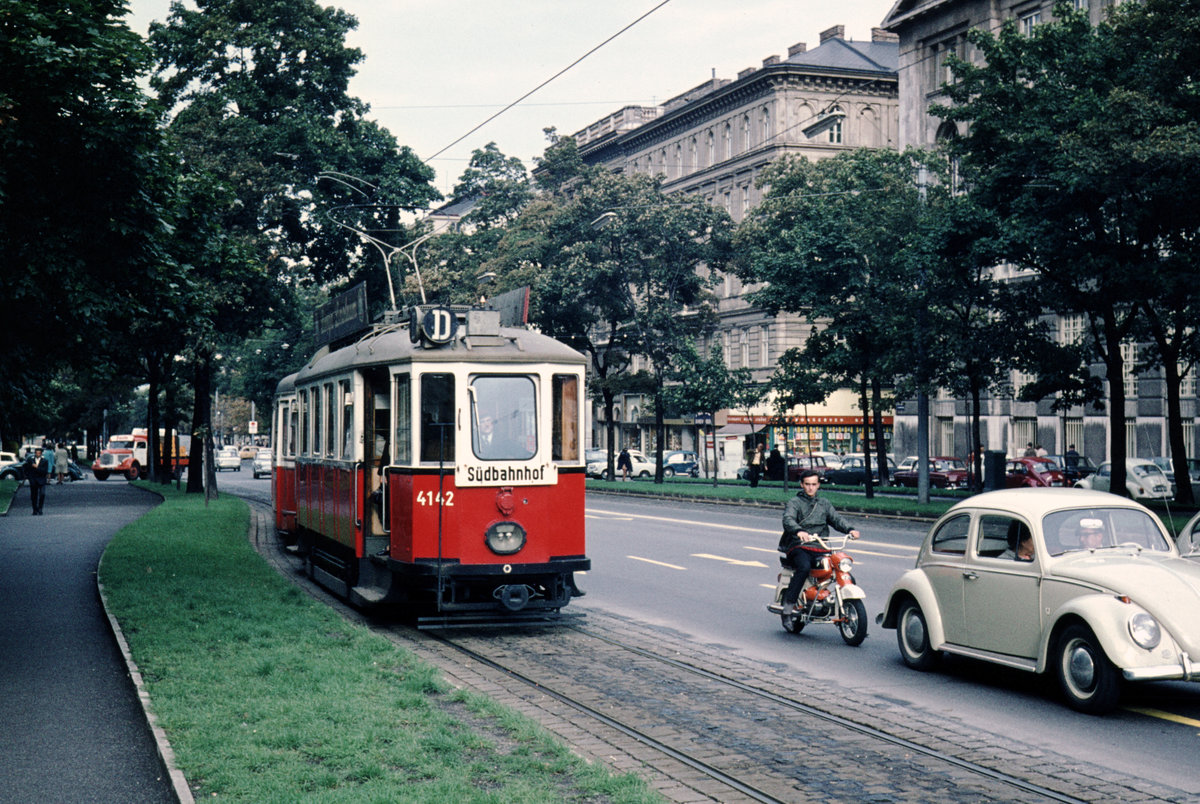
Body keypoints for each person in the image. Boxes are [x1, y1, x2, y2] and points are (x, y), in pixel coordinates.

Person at [778, 469, 860, 613]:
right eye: (807, 484)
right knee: (804, 567)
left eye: (814, 484)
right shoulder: (795, 502)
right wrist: (799, 531)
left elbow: (836, 519)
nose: (811, 488)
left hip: (820, 546)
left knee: (841, 568)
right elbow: (788, 519)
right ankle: (789, 606)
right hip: (799, 546)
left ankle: (843, 603)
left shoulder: (824, 503)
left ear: (818, 485)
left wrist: (850, 529)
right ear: (802, 484)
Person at [26, 446, 49, 515]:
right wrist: (30, 478)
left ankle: (40, 508)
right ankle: (35, 509)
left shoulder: (45, 461)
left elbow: (44, 471)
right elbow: (27, 470)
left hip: (41, 480)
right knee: (34, 495)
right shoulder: (31, 460)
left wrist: (37, 467)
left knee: (42, 494)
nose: (38, 454)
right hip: (33, 480)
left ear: (41, 454)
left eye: (39, 453)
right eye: (36, 453)